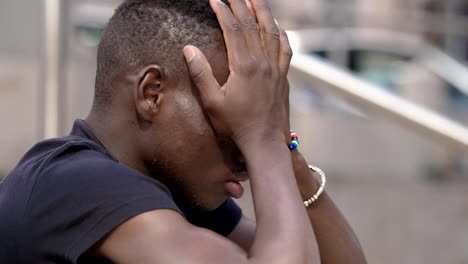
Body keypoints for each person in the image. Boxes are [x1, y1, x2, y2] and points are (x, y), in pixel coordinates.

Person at [0, 0, 366, 263]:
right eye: (229, 116)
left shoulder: (173, 192)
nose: (244, 155)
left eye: (249, 114)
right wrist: (263, 137)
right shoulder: (71, 182)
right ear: (152, 93)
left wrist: (287, 156)